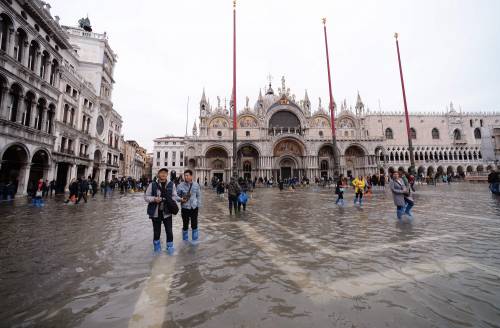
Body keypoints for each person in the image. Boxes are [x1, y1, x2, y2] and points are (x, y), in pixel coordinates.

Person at [144, 168, 178, 254]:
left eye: (165, 173)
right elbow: (146, 197)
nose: (163, 174)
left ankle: (170, 249)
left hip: (167, 212)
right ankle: (157, 250)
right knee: (156, 232)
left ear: (167, 175)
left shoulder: (172, 184)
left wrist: (167, 199)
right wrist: (154, 199)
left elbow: (175, 197)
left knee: (169, 231)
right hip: (156, 213)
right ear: (158, 174)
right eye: (161, 173)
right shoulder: (152, 185)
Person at [177, 170, 202, 242]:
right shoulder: (180, 185)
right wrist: (181, 199)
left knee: (194, 224)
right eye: (185, 175)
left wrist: (198, 205)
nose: (186, 177)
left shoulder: (196, 185)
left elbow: (199, 195)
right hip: (185, 208)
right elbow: (176, 196)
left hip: (194, 207)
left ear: (191, 176)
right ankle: (185, 241)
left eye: (187, 175)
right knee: (185, 225)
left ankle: (195, 241)